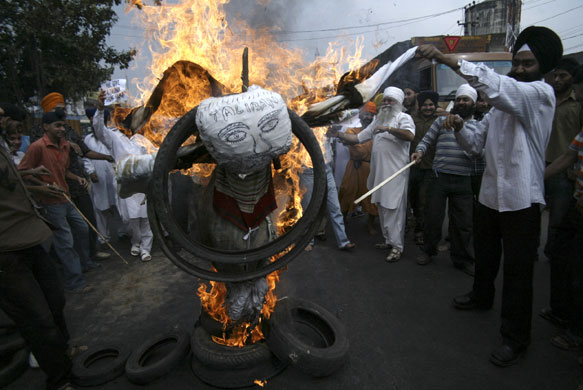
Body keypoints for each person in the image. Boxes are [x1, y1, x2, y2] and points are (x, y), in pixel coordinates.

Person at [417, 25, 563, 367]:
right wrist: (459, 128)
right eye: (519, 62)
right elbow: (475, 146)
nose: (521, 68)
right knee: (485, 255)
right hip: (489, 195)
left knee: (517, 272)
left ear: (543, 67)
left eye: (528, 64)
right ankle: (481, 296)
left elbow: (498, 87)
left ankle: (515, 338)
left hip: (521, 200)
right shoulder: (499, 109)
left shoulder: (540, 95)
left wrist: (449, 59)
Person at [0, 143, 75, 390]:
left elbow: (10, 182)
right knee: (36, 317)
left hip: (31, 236)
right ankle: (59, 379)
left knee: (55, 300)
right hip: (6, 250)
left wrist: (33, 183)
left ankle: (63, 353)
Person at [332, 87, 415, 262]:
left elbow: (409, 135)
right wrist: (337, 133)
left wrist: (389, 129)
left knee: (394, 209)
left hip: (395, 176)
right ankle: (388, 241)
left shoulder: (403, 118)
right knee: (383, 208)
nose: (386, 103)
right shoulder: (378, 120)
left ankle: (397, 247)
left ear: (399, 103)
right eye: (385, 100)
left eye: (390, 100)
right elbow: (357, 138)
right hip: (378, 175)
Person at [19, 110, 96, 293]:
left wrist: (76, 178)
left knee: (83, 229)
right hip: (51, 202)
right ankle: (75, 282)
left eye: (63, 125)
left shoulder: (64, 146)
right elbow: (22, 173)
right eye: (57, 125)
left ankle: (85, 264)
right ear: (46, 127)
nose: (62, 129)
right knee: (65, 242)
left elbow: (62, 171)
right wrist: (43, 186)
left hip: (66, 197)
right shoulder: (37, 147)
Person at [33, 93, 113, 261]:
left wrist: (106, 157)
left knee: (87, 221)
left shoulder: (67, 128)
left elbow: (85, 151)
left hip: (78, 183)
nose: (61, 112)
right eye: (57, 109)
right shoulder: (38, 132)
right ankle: (74, 262)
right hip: (57, 188)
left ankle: (91, 254)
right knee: (65, 230)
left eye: (63, 108)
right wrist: (68, 144)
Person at [412, 84, 478, 276]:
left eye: (465, 99)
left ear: (473, 103)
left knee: (463, 223)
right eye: (458, 99)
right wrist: (419, 151)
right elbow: (426, 141)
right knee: (432, 217)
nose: (461, 102)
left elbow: (478, 151)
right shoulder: (441, 122)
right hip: (439, 177)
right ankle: (428, 251)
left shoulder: (477, 126)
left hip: (464, 180)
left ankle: (462, 259)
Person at [541, 57, 583, 327]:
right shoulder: (544, 100)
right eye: (555, 76)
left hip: (565, 175)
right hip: (541, 165)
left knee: (559, 222)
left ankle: (554, 255)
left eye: (563, 76)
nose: (558, 80)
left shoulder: (578, 106)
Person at [93, 91, 156, 262]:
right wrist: (100, 108)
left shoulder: (141, 139)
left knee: (146, 218)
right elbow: (98, 130)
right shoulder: (113, 137)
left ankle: (145, 248)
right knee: (130, 219)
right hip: (125, 184)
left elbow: (155, 154)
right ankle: (135, 242)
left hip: (143, 184)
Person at [544, 128, 583, 351]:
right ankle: (561, 311)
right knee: (561, 257)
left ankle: (577, 333)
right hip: (577, 205)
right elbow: (568, 157)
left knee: (579, 272)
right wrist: (537, 178)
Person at [300, 127, 356, 252]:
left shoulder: (324, 124)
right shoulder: (302, 120)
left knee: (335, 207)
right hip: (308, 171)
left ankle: (343, 241)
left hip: (326, 169)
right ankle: (307, 240)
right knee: (309, 208)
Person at [338, 102, 378, 235]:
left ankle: (370, 225)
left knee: (371, 196)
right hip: (354, 167)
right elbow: (358, 152)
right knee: (346, 191)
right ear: (360, 116)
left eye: (371, 114)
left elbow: (358, 147)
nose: (367, 117)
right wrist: (354, 143)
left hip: (369, 167)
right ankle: (341, 221)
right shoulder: (352, 131)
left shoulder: (377, 132)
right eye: (365, 114)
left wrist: (353, 142)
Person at [408, 90, 439, 245]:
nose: (428, 108)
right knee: (412, 199)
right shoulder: (411, 119)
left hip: (431, 166)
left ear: (435, 105)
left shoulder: (441, 120)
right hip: (413, 165)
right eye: (425, 105)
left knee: (423, 200)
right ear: (419, 106)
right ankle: (415, 225)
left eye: (431, 105)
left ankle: (421, 231)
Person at [84, 108, 119, 246]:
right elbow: (86, 158)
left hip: (114, 176)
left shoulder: (112, 136)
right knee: (100, 208)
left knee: (118, 204)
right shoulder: (88, 139)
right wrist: (91, 171)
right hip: (98, 179)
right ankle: (103, 236)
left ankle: (123, 232)